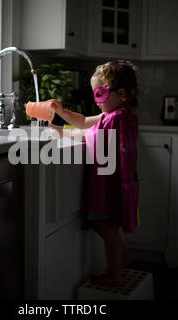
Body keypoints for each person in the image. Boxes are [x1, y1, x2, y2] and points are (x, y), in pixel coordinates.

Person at [49, 60, 141, 287]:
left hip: (111, 186)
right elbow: (82, 122)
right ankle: (125, 256)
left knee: (107, 229)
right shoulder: (117, 116)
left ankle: (115, 277)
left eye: (99, 94)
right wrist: (61, 114)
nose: (95, 100)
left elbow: (87, 136)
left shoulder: (116, 119)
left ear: (120, 93)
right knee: (105, 227)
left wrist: (63, 133)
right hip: (118, 183)